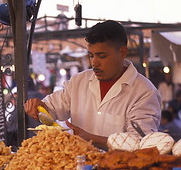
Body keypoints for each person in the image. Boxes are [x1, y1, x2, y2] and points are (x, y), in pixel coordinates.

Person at [24, 20, 161, 150]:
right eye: (91, 56)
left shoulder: (144, 92)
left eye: (102, 56)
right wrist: (38, 107)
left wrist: (91, 139)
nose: (94, 63)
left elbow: (139, 142)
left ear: (122, 52)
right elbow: (52, 109)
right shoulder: (79, 81)